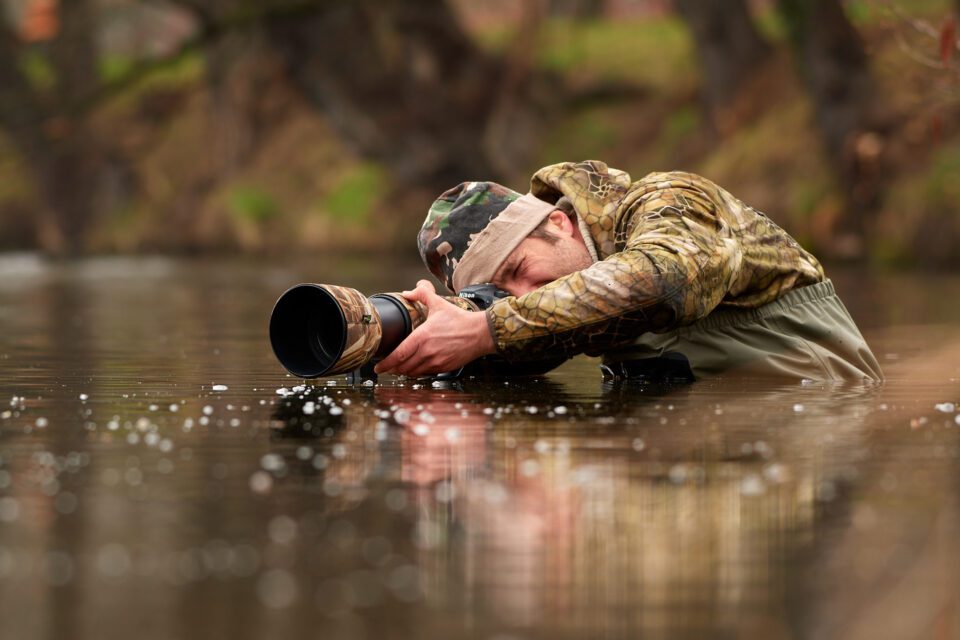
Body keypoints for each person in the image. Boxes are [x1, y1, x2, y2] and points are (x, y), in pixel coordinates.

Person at [374, 160, 883, 382]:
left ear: (559, 222)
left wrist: (486, 328)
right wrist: (408, 341)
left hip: (822, 436)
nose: (524, 294)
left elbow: (665, 278)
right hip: (703, 456)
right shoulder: (549, 303)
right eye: (501, 292)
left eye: (521, 267)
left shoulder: (669, 201)